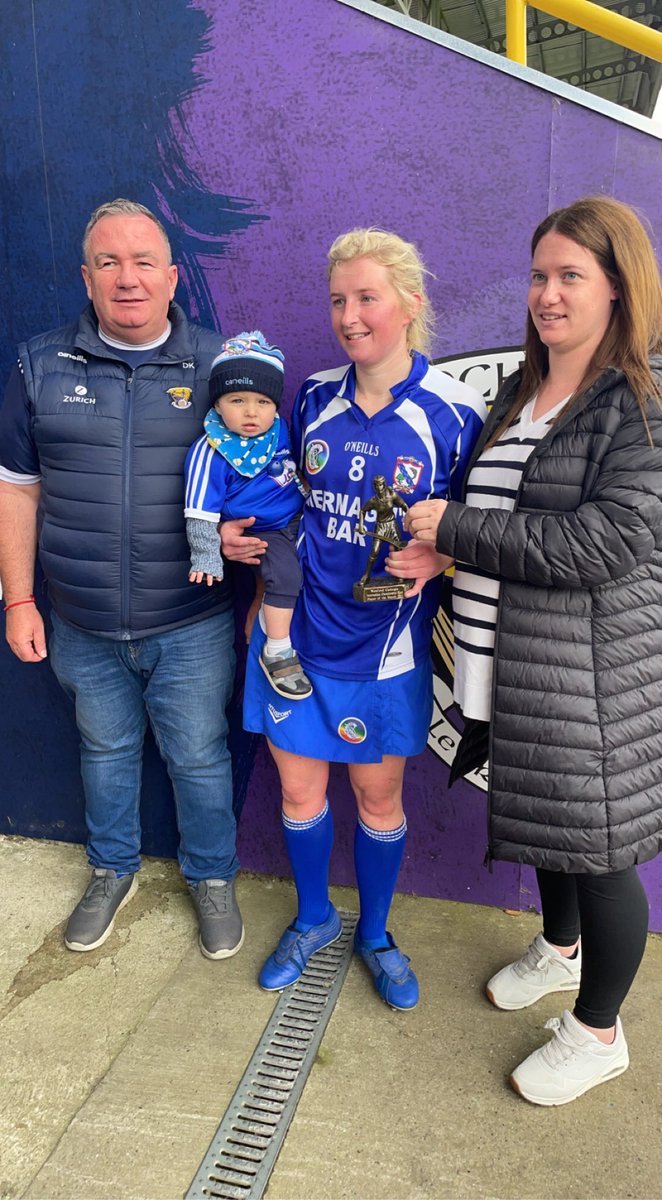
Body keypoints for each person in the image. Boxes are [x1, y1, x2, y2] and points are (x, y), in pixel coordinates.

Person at [406, 196, 662, 1102]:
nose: (547, 294)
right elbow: (503, 516)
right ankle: (560, 951)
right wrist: (439, 543)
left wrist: (459, 527)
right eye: (539, 275)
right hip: (510, 660)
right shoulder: (527, 385)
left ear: (620, 288)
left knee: (599, 849)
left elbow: (607, 541)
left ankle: (599, 1033)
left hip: (589, 674)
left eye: (571, 277)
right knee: (551, 818)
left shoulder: (638, 397)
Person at [224, 228, 486, 1009]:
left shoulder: (458, 411)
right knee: (300, 796)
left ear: (410, 303)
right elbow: (284, 504)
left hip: (386, 651)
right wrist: (235, 534)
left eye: (366, 297)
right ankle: (311, 919)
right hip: (294, 641)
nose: (349, 315)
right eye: (338, 299)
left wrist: (444, 557)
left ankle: (374, 932)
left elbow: (486, 523)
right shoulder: (309, 395)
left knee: (378, 802)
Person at [0, 198, 243, 961]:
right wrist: (18, 598)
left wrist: (250, 540)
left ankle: (211, 878)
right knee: (103, 754)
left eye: (143, 262)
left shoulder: (219, 367)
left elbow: (267, 476)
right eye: (109, 262)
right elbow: (15, 486)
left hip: (191, 620)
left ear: (173, 277)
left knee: (200, 756)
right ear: (87, 276)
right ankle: (112, 870)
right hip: (79, 621)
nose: (127, 278)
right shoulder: (39, 364)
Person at [184, 330, 311, 700]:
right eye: (237, 399)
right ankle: (277, 650)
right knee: (286, 578)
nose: (252, 412)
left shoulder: (281, 431)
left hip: (300, 521)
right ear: (218, 404)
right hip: (264, 532)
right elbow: (199, 510)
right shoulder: (211, 450)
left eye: (263, 401)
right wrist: (206, 554)